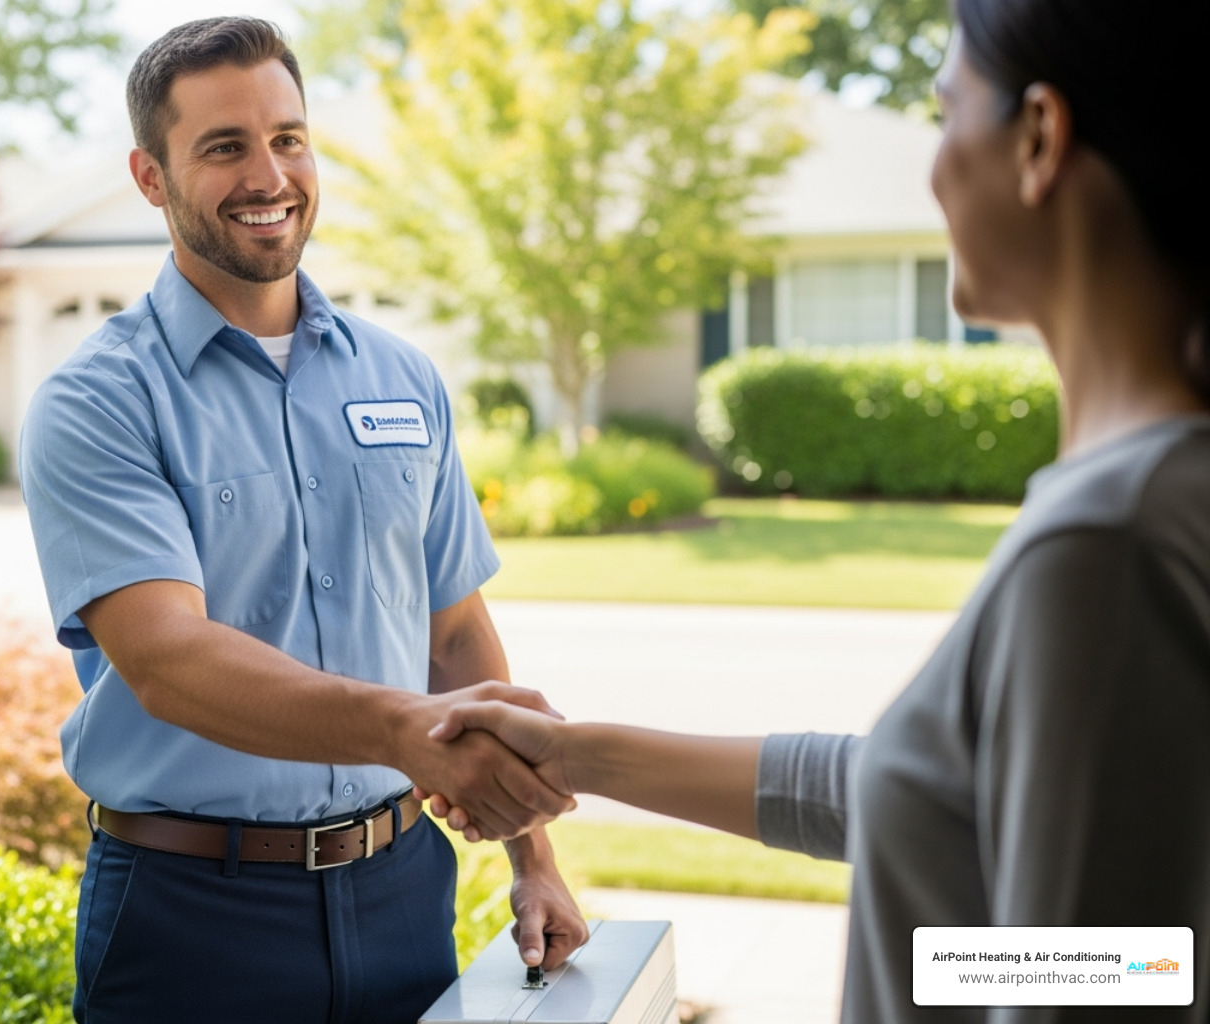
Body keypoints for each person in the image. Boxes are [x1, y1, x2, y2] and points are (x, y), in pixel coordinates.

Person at [426, 0, 1210, 1020]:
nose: (930, 171)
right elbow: (922, 796)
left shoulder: (1109, 547)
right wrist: (578, 757)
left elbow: (1121, 972)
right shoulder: (1145, 499)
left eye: (944, 116)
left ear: (1039, 140)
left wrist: (906, 970)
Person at [17, 17, 587, 1024]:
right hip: (190, 909)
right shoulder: (99, 401)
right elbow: (169, 661)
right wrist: (405, 729)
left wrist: (531, 856)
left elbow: (451, 633)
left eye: (288, 136)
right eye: (224, 146)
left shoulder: (402, 379)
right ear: (151, 178)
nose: (268, 173)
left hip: (403, 885)